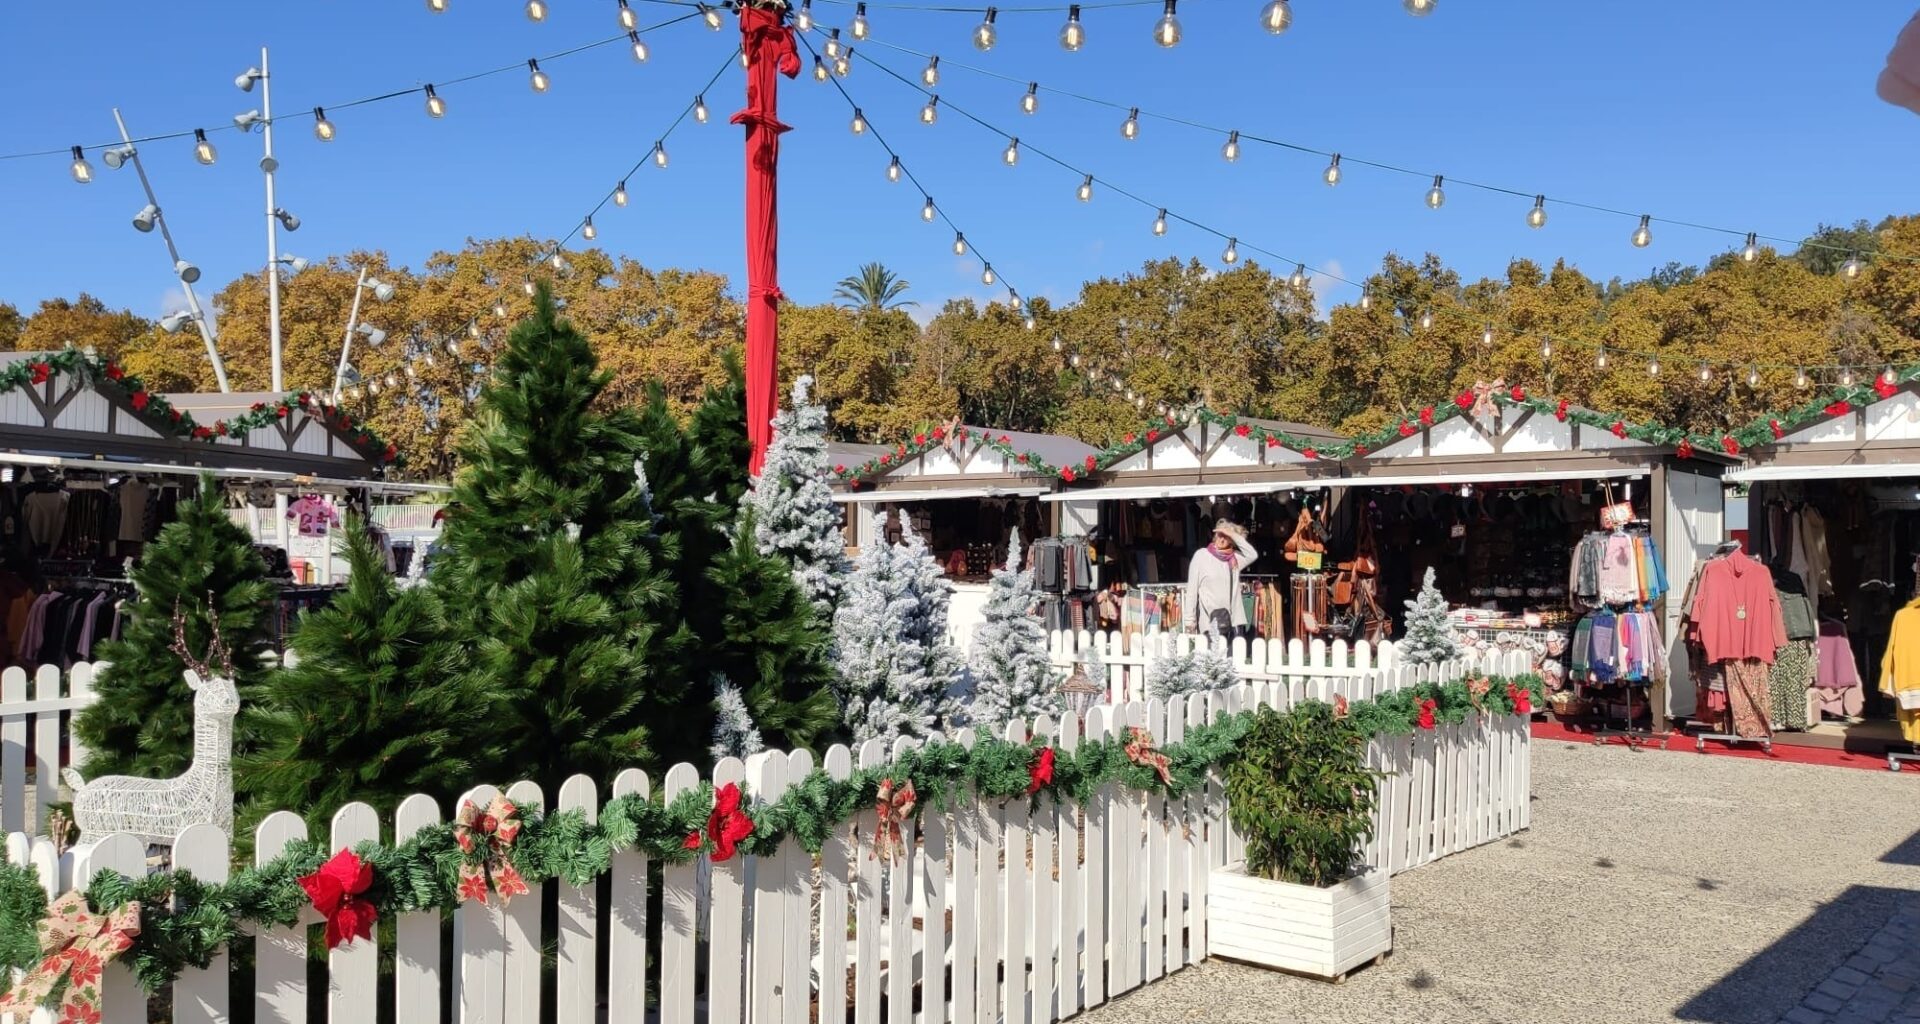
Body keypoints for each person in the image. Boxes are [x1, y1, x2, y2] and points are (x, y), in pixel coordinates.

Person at [1185, 519, 1257, 638]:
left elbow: (1252, 554)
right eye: (1220, 535)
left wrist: (1232, 534)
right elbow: (1192, 590)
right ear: (1215, 536)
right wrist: (1189, 620)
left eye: (1226, 537)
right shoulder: (1201, 556)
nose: (1222, 539)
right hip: (1210, 622)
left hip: (1233, 622)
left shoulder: (1234, 559)